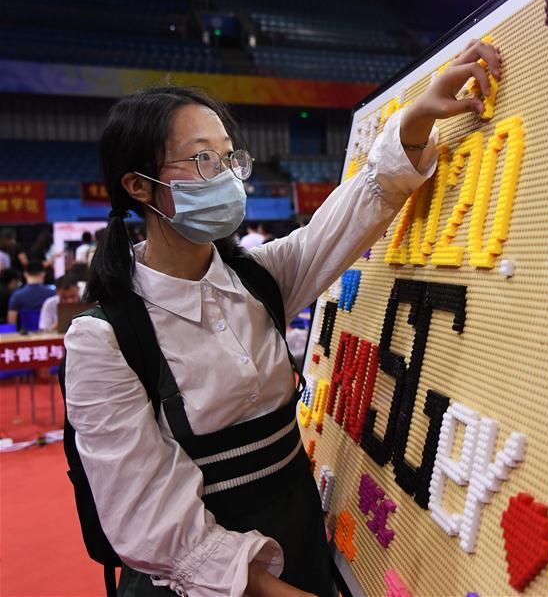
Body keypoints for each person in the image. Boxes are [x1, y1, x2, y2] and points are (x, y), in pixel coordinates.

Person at [64, 38, 500, 597]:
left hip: (301, 546)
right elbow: (154, 529)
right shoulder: (106, 339)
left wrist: (415, 119)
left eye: (230, 158)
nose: (226, 177)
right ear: (139, 186)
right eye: (203, 160)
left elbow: (353, 211)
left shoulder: (258, 277)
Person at [7, 261, 56, 325]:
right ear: (43, 274)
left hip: (24, 333)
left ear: (25, 274)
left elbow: (11, 322)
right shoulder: (53, 293)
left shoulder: (17, 296)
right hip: (49, 333)